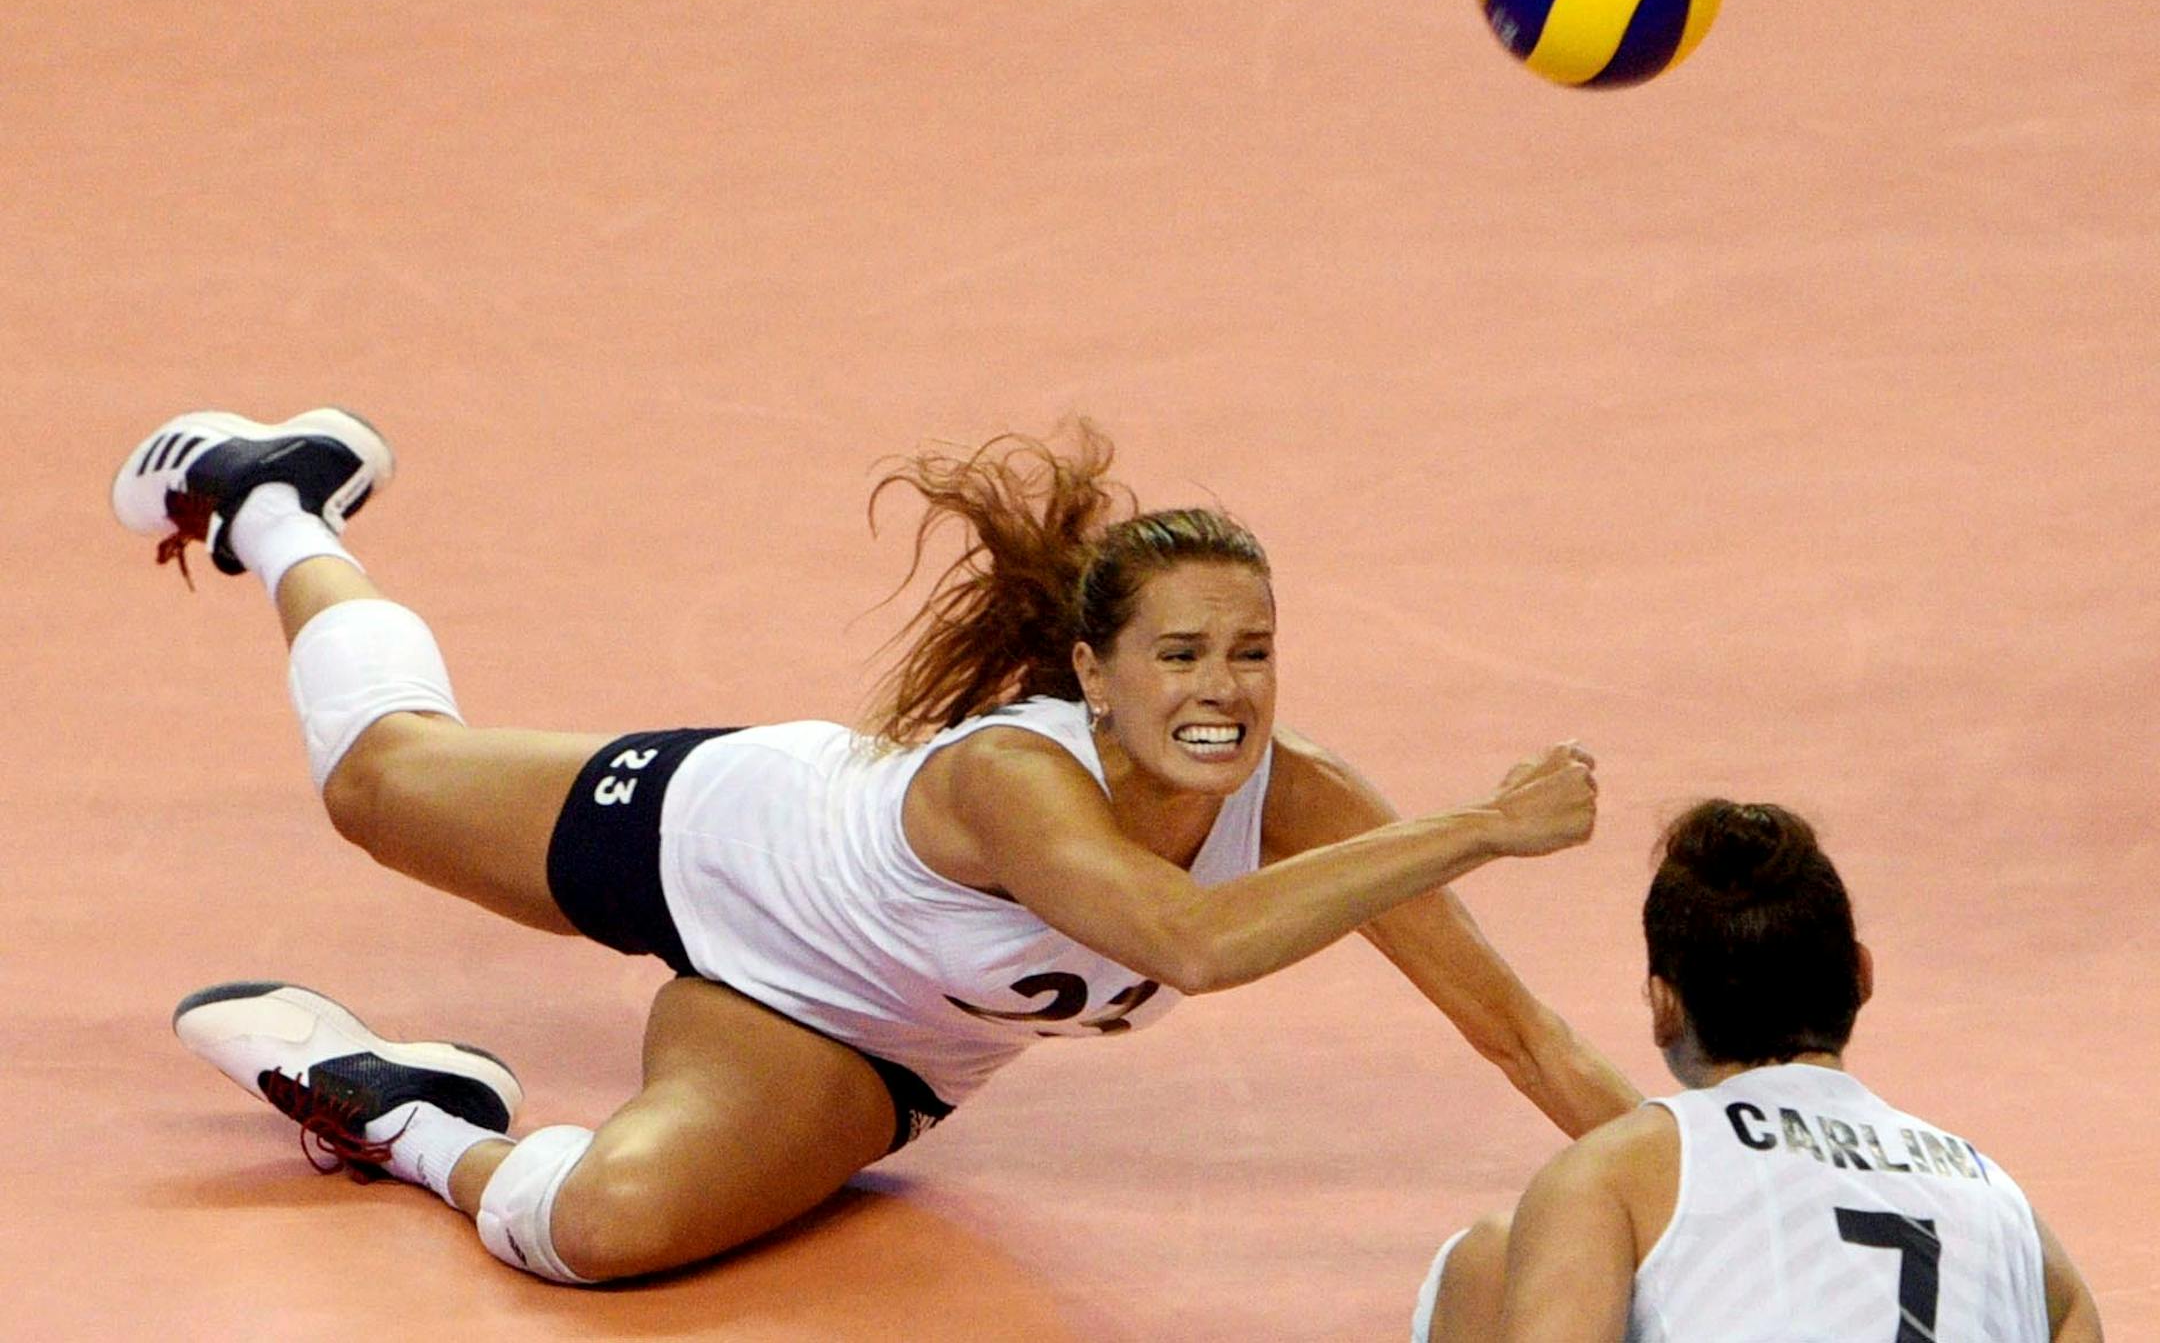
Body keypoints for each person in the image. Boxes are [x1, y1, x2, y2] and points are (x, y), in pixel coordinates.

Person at [113, 407, 1640, 1287]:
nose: (1222, 691)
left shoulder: (1307, 807)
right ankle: (282, 507)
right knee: (378, 783)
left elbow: (1520, 1032)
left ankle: (411, 1116)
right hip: (726, 847)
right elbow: (1190, 942)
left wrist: (1700, 1190)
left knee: (599, 1235)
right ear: (1093, 678)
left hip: (860, 1049)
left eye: (1251, 653)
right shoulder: (1010, 785)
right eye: (1179, 657)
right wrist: (1484, 830)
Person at [1410, 799, 2104, 1342]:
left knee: (1490, 1262)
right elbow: (2075, 1317)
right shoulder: (2000, 1203)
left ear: (1664, 1006)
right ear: (1860, 976)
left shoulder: (1611, 1177)